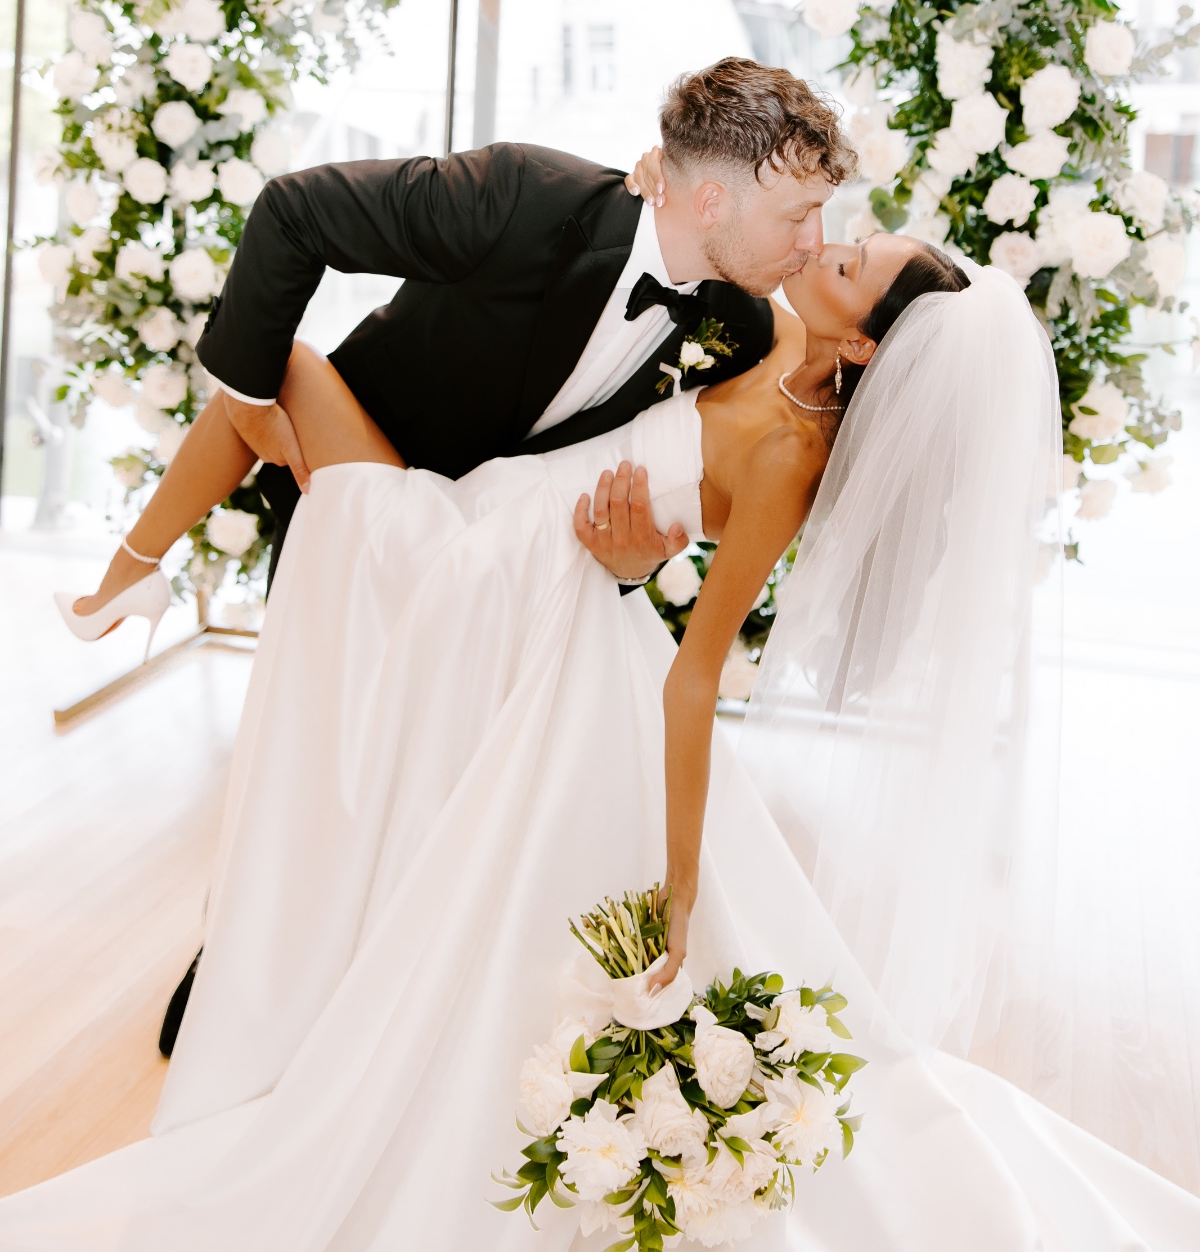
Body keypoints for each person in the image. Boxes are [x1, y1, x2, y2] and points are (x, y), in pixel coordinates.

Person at [12, 226, 1198, 1248]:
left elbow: (696, 677)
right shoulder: (766, 334)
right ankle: (131, 580)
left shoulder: (793, 457)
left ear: (867, 347)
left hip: (495, 580)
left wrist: (684, 885)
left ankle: (126, 580)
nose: (827, 245)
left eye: (846, 262)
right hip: (493, 524)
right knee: (273, 376)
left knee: (280, 372)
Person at [57, 56, 850, 1052]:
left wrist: (636, 557)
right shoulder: (523, 198)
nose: (816, 240)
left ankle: (363, 990)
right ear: (703, 194)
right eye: (798, 216)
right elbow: (295, 211)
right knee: (306, 753)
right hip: (364, 491)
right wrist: (254, 406)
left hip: (494, 548)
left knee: (408, 785)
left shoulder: (734, 321)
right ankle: (237, 967)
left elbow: (687, 471)